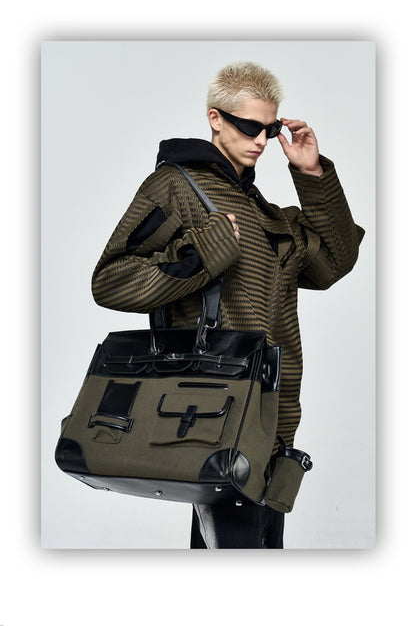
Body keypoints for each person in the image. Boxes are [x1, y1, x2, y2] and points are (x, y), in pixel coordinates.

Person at [91, 61, 364, 549]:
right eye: (249, 126)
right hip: (212, 413)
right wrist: (200, 255)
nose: (261, 140)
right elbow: (110, 281)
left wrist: (311, 173)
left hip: (274, 418)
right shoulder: (175, 187)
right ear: (215, 118)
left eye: (270, 129)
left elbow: (334, 262)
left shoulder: (261, 210)